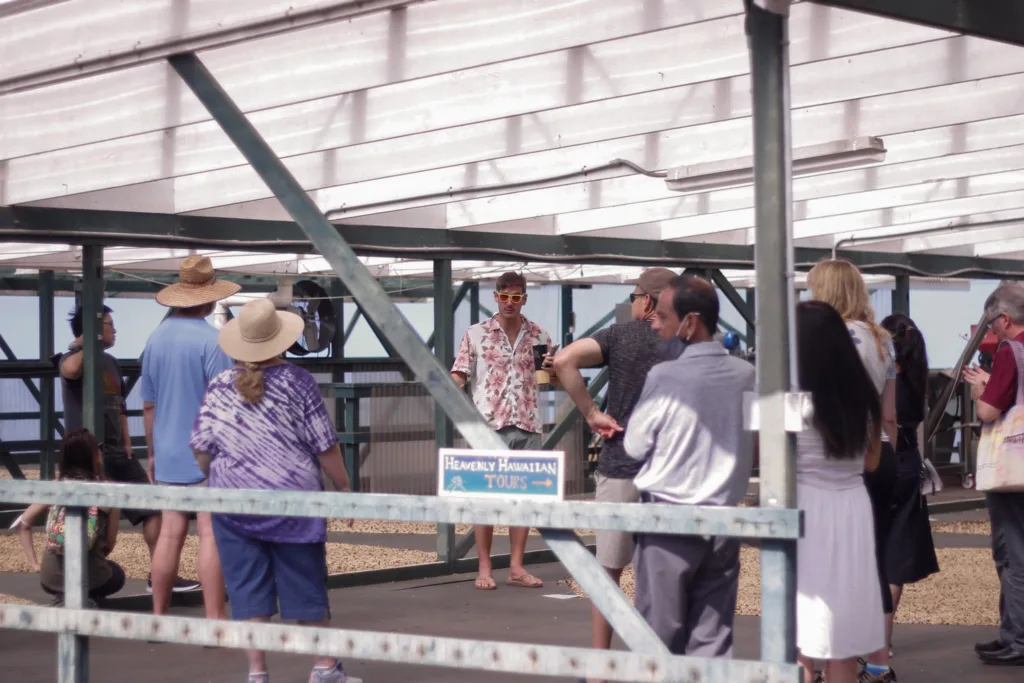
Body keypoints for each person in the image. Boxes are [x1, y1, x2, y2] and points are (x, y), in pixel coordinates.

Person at [190, 298, 360, 683]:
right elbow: (324, 445)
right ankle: (323, 667)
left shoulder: (219, 386)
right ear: (280, 339)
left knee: (247, 591)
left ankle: (257, 673)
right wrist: (344, 485)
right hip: (293, 504)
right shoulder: (298, 382)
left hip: (234, 504)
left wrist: (219, 476)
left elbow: (201, 447)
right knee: (306, 584)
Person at [551, 266, 676, 675]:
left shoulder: (620, 335)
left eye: (634, 296)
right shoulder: (682, 340)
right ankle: (656, 664)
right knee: (660, 575)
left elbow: (564, 360)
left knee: (607, 571)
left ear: (647, 300)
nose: (631, 303)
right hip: (669, 471)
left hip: (621, 462)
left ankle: (600, 668)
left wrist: (592, 413)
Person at [623, 274, 755, 656]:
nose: (655, 324)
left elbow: (634, 444)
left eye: (663, 317)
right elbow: (757, 438)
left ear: (690, 322)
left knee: (658, 641)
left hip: (668, 520)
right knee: (712, 640)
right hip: (723, 521)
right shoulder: (746, 375)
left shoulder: (665, 375)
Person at [808, 259, 897, 683]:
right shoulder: (882, 340)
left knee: (827, 572)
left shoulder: (832, 340)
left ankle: (821, 661)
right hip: (876, 451)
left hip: (835, 459)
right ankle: (879, 661)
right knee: (869, 562)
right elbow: (888, 411)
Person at [57, 303, 179, 591]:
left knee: (152, 508)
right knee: (88, 514)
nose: (115, 330)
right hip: (87, 453)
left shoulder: (111, 362)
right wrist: (88, 342)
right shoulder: (71, 358)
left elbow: (120, 406)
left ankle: (159, 578)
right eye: (109, 325)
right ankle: (79, 580)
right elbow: (70, 371)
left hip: (116, 451)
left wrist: (127, 443)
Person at [142, 255, 239, 619]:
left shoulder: (155, 339)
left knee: (170, 532)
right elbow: (225, 405)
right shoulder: (215, 342)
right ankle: (215, 618)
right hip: (208, 452)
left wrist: (152, 453)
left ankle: (158, 616)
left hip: (167, 449)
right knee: (210, 533)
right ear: (210, 298)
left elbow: (148, 404)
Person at [793, 301, 885, 683]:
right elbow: (872, 461)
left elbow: (761, 456)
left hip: (804, 505)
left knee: (800, 630)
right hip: (852, 505)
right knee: (843, 637)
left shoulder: (788, 399)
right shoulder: (863, 396)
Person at [451, 271, 556, 591]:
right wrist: (444, 390)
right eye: (505, 296)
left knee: (523, 499)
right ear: (496, 297)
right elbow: (460, 373)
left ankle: (516, 566)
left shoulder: (539, 335)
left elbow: (551, 378)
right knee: (484, 498)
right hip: (488, 425)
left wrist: (555, 370)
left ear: (524, 299)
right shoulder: (476, 334)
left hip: (527, 423)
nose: (510, 303)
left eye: (516, 297)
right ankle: (484, 566)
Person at [962, 282, 1024, 667]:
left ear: (1004, 318)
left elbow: (988, 411)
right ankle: (1012, 633)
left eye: (991, 323)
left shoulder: (1010, 351)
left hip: (1011, 468)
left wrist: (980, 390)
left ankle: (1016, 637)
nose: (991, 331)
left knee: (1012, 553)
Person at [880, 314, 939, 655]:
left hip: (883, 461)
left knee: (872, 547)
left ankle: (861, 636)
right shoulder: (917, 381)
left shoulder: (884, 380)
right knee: (897, 555)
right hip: (910, 463)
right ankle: (883, 640)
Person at [16, 429, 126, 606]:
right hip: (92, 578)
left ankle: (65, 596)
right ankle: (85, 596)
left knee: (67, 576)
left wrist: (35, 565)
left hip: (50, 579)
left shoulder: (55, 487)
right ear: (94, 455)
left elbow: (24, 523)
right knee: (117, 575)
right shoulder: (109, 491)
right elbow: (110, 542)